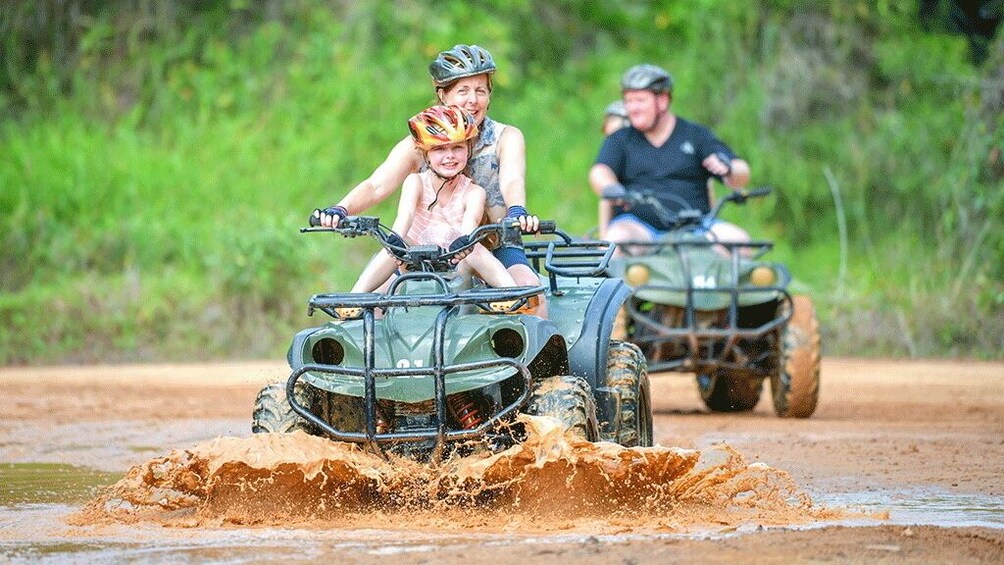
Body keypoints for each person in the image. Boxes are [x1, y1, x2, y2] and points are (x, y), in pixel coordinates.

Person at [316, 44, 545, 315]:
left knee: (529, 291)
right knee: (373, 304)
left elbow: (511, 179)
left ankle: (543, 358)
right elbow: (377, 185)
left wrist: (518, 210)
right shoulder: (421, 142)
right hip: (427, 254)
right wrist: (339, 210)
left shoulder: (505, 137)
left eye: (480, 90)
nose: (473, 100)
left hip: (494, 245)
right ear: (442, 94)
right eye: (463, 91)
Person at [348, 105, 517, 293]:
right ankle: (354, 299)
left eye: (457, 147)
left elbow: (470, 225)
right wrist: (395, 241)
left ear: (468, 150)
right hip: (415, 265)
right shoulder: (416, 182)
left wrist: (464, 242)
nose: (450, 156)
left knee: (475, 249)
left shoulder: (474, 192)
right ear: (425, 153)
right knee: (392, 247)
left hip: (456, 267)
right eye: (439, 149)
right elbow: (406, 216)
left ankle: (512, 294)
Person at [588, 64, 752, 248]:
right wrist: (612, 188)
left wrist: (729, 169)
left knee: (739, 242)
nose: (632, 108)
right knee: (618, 240)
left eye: (640, 101)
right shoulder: (621, 139)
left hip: (697, 228)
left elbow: (741, 172)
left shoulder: (695, 135)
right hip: (638, 227)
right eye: (629, 101)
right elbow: (600, 172)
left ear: (663, 101)